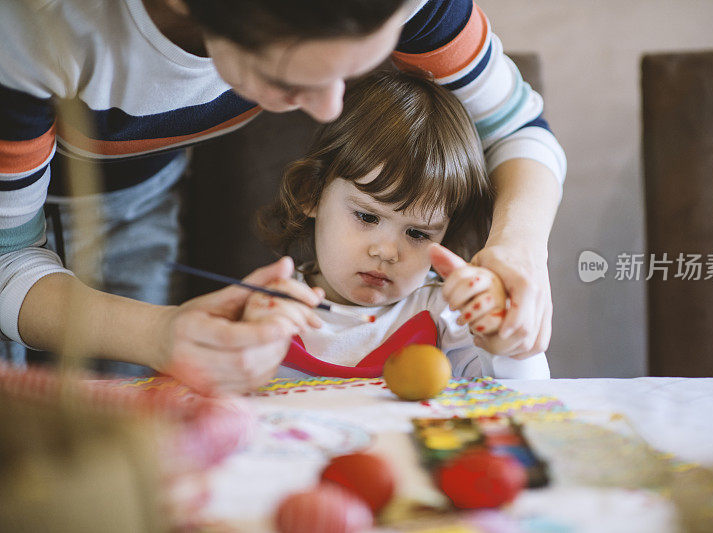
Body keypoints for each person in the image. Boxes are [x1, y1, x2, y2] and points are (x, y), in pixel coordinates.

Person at [0, 0, 565, 392]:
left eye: (357, 67)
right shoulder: (34, 31)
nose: (326, 111)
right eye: (291, 79)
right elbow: (7, 261)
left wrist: (518, 247)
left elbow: (517, 128)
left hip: (136, 191)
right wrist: (158, 333)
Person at [240, 71, 550, 383]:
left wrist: (505, 340)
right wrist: (247, 343)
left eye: (417, 233)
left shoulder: (446, 311)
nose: (387, 252)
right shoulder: (269, 305)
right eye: (367, 217)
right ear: (312, 193)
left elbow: (526, 397)